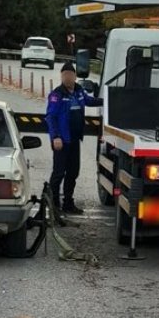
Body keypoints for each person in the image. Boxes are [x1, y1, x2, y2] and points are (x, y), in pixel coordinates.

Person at [45, 61, 102, 214]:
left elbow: (89, 101)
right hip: (61, 140)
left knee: (73, 172)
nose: (67, 78)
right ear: (61, 76)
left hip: (74, 139)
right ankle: (54, 205)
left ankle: (68, 203)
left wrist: (107, 100)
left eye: (70, 75)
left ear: (75, 76)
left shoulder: (79, 91)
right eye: (64, 75)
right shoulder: (57, 95)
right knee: (58, 173)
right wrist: (55, 137)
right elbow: (51, 117)